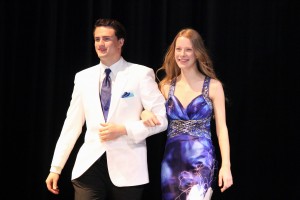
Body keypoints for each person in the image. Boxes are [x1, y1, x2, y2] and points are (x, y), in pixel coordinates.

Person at [45, 18, 168, 200]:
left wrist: (124, 129)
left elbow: (162, 120)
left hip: (128, 168)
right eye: (97, 39)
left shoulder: (140, 74)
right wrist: (56, 168)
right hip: (89, 165)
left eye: (106, 39)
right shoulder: (83, 77)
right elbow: (71, 125)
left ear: (120, 42)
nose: (100, 44)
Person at [141, 28, 233, 199]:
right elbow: (154, 113)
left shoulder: (213, 86)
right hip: (171, 163)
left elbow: (222, 129)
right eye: (178, 49)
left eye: (188, 49)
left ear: (197, 53)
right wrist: (144, 114)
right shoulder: (166, 87)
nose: (182, 54)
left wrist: (226, 165)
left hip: (201, 162)